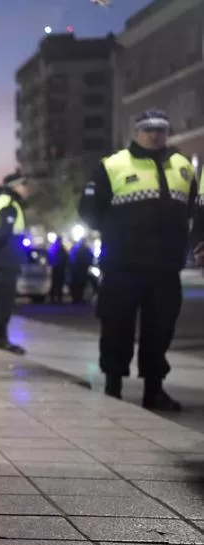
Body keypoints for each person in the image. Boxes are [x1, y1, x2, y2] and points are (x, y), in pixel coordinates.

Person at [78, 109, 197, 411]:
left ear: (167, 132)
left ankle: (154, 390)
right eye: (148, 129)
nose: (154, 134)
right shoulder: (113, 165)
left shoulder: (183, 166)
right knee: (117, 325)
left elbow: (197, 208)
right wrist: (118, 233)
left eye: (160, 129)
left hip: (166, 267)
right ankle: (113, 387)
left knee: (160, 329)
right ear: (136, 132)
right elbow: (89, 210)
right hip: (122, 266)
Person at [0, 172, 30, 354]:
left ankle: (0, 336)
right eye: (24, 185)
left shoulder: (0, 202)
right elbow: (3, 233)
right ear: (15, 186)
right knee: (4, 300)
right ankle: (0, 338)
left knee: (2, 299)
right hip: (6, 259)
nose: (26, 189)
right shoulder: (9, 204)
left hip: (2, 259)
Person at [68, 238, 94, 304]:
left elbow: (71, 258)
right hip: (81, 269)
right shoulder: (84, 249)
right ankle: (78, 298)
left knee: (78, 284)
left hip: (78, 269)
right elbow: (90, 257)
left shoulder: (77, 248)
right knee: (80, 284)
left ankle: (77, 298)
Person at [48, 234, 69, 304]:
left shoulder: (55, 247)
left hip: (58, 267)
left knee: (57, 284)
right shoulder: (57, 248)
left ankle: (55, 299)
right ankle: (55, 299)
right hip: (57, 267)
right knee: (57, 284)